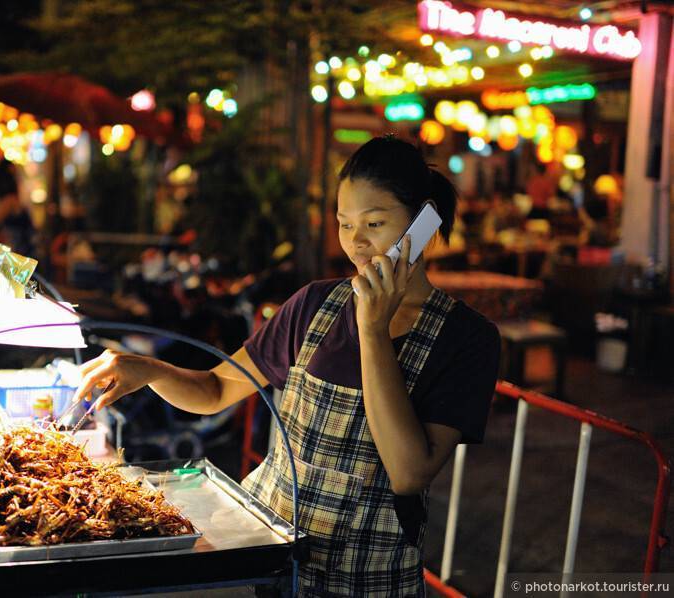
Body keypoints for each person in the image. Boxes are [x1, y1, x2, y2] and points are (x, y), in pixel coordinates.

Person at [72, 136, 501, 596]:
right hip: (275, 564)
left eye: (374, 223)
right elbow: (216, 391)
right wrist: (151, 370)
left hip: (367, 578)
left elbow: (408, 472)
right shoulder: (314, 304)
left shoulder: (466, 338)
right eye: (343, 224)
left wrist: (373, 331)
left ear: (424, 221)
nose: (356, 243)